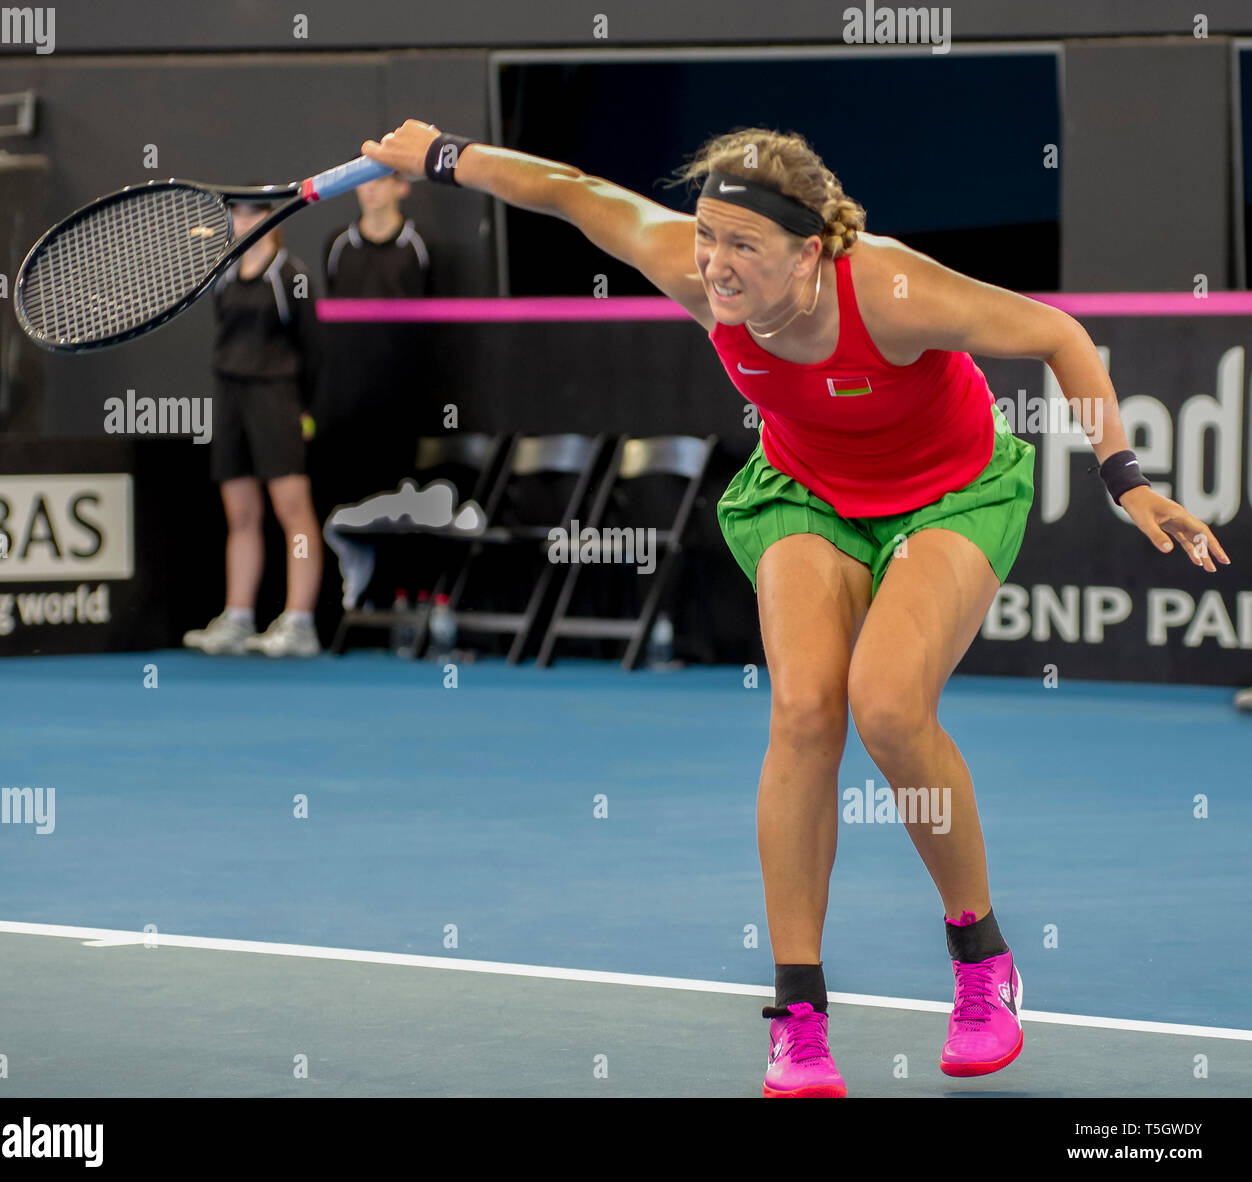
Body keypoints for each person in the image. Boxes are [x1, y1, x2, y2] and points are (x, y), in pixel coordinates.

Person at [360, 120, 1231, 1097]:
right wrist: (440, 155)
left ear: (809, 251)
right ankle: (798, 1012)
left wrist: (1125, 480)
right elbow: (569, 190)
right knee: (804, 710)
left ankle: (983, 960)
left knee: (890, 707)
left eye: (743, 245)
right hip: (806, 491)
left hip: (950, 490)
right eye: (705, 236)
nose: (714, 264)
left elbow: (1060, 336)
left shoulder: (891, 289)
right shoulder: (694, 276)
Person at [183, 200, 323, 658]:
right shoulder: (223, 274)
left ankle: (300, 622)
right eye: (237, 213)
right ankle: (238, 617)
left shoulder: (290, 275)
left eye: (255, 213)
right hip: (229, 397)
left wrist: (307, 411)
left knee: (293, 511)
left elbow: (314, 350)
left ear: (273, 220)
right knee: (240, 515)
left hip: (277, 396)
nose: (244, 221)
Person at [324, 173, 430, 298]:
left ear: (402, 186)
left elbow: (438, 305)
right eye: (364, 178)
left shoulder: (423, 245)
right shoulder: (338, 244)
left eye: (380, 178)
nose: (370, 187)